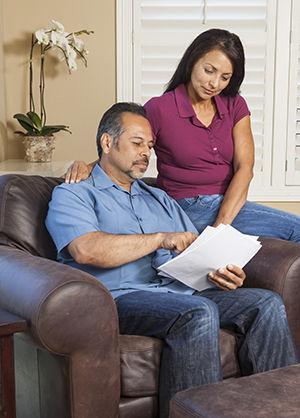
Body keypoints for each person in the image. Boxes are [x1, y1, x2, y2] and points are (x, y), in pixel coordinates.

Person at [46, 102, 299, 418]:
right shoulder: (75, 193)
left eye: (149, 146)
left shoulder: (159, 198)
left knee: (266, 303)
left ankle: (281, 411)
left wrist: (219, 272)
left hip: (177, 293)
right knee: (197, 311)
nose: (146, 153)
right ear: (107, 143)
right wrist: (159, 239)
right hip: (115, 299)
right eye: (137, 143)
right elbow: (86, 249)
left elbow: (192, 250)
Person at [65, 28, 300, 243]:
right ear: (191, 63)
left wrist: (219, 230)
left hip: (228, 204)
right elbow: (128, 146)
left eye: (225, 77)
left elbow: (245, 167)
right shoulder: (161, 108)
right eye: (209, 70)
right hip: (185, 206)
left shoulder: (235, 105)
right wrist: (90, 167)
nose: (215, 83)